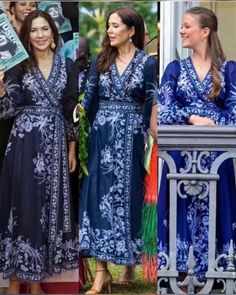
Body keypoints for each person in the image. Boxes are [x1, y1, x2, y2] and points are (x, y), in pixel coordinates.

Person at [77, 7, 157, 294]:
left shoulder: (148, 62)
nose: (109, 30)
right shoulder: (101, 60)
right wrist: (79, 116)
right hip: (102, 138)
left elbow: (151, 100)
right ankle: (101, 274)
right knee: (99, 197)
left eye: (115, 26)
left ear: (131, 30)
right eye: (108, 26)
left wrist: (151, 134)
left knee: (130, 197)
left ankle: (127, 264)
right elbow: (90, 96)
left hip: (133, 138)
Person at [0, 10, 78, 294]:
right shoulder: (17, 67)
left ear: (53, 33)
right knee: (24, 206)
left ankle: (34, 284)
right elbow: (7, 110)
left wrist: (72, 147)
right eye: (34, 30)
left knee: (47, 210)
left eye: (45, 29)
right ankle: (17, 283)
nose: (40, 35)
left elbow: (70, 109)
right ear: (27, 36)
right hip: (25, 143)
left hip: (57, 145)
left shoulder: (68, 66)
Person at [158, 6, 236, 283]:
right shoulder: (175, 69)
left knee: (217, 208)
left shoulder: (228, 70)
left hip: (216, 154)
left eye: (187, 26)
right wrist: (193, 117)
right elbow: (164, 110)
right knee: (179, 207)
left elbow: (235, 111)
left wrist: (211, 121)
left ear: (205, 32)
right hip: (181, 153)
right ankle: (177, 272)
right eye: (181, 25)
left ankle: (217, 272)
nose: (181, 30)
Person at [0, 2, 37, 171]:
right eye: (23, 3)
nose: (28, 7)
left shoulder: (42, 38)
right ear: (12, 10)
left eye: (33, 4)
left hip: (27, 116)